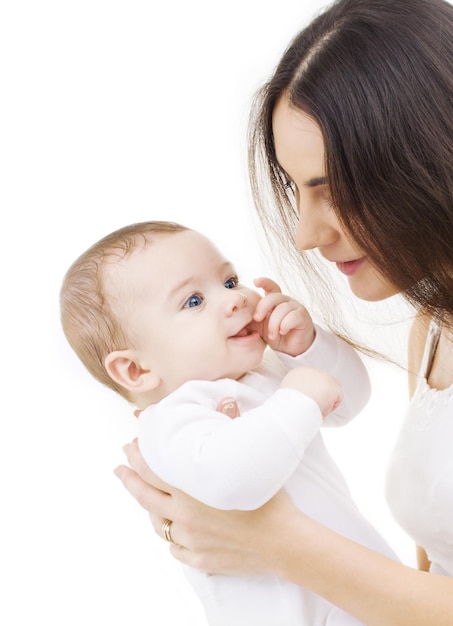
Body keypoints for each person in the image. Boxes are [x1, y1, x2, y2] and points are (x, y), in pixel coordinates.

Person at [114, 0, 453, 624]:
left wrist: (272, 542)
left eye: (331, 188)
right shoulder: (436, 332)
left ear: (434, 160)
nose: (307, 234)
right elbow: (433, 594)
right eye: (297, 188)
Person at [60, 220, 398, 626]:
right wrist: (301, 396)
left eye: (230, 280)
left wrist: (307, 347)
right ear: (135, 369)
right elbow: (236, 480)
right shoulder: (169, 422)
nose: (235, 299)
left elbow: (348, 402)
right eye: (193, 301)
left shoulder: (265, 374)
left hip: (368, 595)